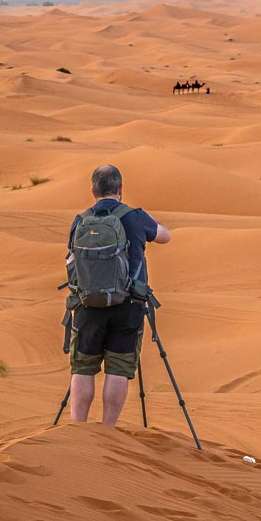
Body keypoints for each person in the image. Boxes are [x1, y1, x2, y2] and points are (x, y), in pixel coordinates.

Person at [68, 164, 171, 426]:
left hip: (86, 306)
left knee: (83, 368)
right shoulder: (135, 217)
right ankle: (107, 430)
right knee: (118, 369)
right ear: (121, 189)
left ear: (93, 190)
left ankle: (76, 427)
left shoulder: (81, 220)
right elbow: (164, 237)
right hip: (128, 306)